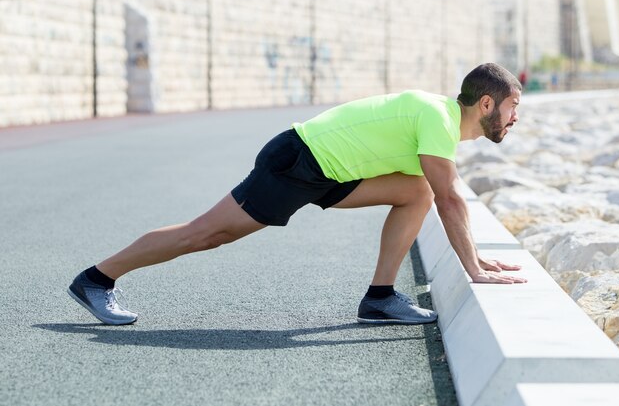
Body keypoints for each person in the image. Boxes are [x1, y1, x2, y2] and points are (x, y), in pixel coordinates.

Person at [68, 62, 527, 326]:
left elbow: (440, 193)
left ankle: (380, 297)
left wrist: (477, 259)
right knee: (206, 234)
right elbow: (452, 198)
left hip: (335, 171)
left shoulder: (443, 124)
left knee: (415, 191)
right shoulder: (439, 118)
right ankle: (97, 278)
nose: (514, 119)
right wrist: (475, 267)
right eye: (512, 109)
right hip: (299, 160)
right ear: (486, 104)